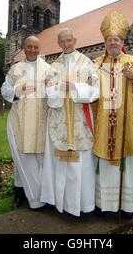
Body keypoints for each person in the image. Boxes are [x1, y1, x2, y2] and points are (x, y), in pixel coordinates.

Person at [93, 10, 133, 219]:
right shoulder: (95, 65)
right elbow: (86, 90)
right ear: (105, 42)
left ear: (122, 41)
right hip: (103, 124)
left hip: (128, 124)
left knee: (129, 165)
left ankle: (128, 206)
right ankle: (105, 205)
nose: (113, 43)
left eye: (117, 39)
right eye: (109, 39)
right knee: (104, 166)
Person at [40, 27, 99, 217]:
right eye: (62, 41)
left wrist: (75, 88)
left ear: (75, 40)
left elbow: (95, 90)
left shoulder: (87, 63)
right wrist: (58, 88)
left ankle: (83, 205)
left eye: (69, 40)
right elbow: (47, 94)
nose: (66, 44)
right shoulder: (53, 67)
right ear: (59, 43)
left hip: (80, 120)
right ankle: (60, 203)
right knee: (60, 163)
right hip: (59, 122)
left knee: (81, 164)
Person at [1, 36, 52, 209]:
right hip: (20, 121)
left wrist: (50, 86)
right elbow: (5, 89)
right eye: (29, 47)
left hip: (41, 120)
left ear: (39, 48)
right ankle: (19, 193)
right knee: (21, 157)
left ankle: (41, 195)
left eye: (35, 47)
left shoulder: (48, 69)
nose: (32, 50)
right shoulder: (16, 69)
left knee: (40, 159)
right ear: (24, 48)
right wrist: (17, 90)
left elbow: (54, 92)